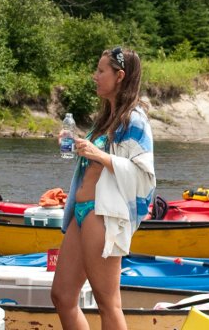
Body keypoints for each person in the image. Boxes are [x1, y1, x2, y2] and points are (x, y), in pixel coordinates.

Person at [52, 46, 157, 330]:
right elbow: (97, 161)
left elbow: (144, 176)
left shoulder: (134, 120)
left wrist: (98, 155)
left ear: (120, 75)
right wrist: (79, 145)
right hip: (81, 212)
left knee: (107, 302)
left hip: (104, 215)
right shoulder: (105, 118)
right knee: (62, 295)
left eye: (101, 71)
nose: (94, 76)